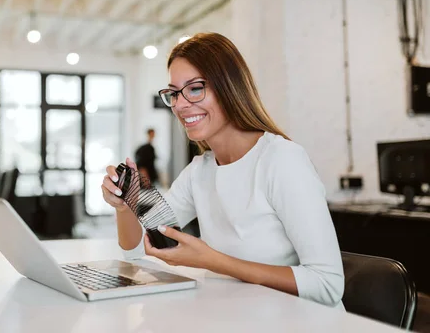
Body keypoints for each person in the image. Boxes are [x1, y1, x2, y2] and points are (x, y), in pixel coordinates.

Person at [101, 32, 344, 308]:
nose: (180, 105)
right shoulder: (199, 171)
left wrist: (213, 261)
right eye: (174, 93)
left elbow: (328, 284)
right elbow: (135, 250)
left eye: (195, 88)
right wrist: (125, 206)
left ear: (229, 87)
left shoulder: (282, 160)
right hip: (232, 317)